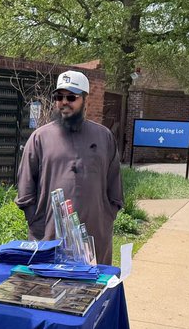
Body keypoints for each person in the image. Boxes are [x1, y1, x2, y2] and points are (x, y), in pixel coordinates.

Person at [15, 69, 123, 265]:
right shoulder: (40, 138)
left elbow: (114, 185)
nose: (64, 102)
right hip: (49, 236)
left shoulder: (103, 136)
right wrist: (37, 222)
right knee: (48, 290)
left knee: (92, 291)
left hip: (95, 236)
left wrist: (106, 217)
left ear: (85, 100)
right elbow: (25, 189)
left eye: (71, 97)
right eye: (59, 96)